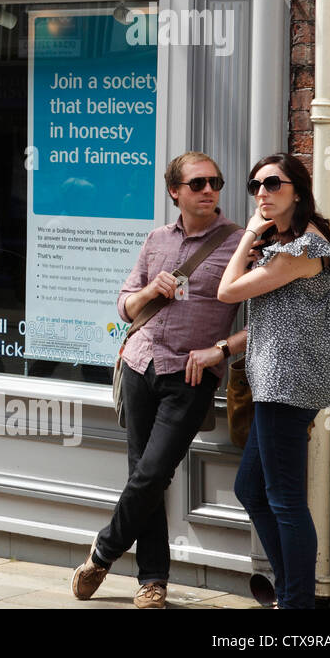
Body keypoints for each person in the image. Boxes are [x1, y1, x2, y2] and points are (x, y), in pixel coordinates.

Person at [71, 152, 245, 608]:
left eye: (215, 182)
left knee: (152, 474)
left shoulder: (239, 244)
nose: (209, 190)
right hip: (139, 364)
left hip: (189, 375)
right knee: (141, 476)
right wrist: (151, 290)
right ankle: (153, 581)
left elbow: (264, 322)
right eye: (197, 183)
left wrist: (220, 351)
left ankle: (103, 553)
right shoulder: (155, 240)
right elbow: (125, 305)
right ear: (175, 192)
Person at [217, 153, 330, 610]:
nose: (262, 194)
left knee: (285, 498)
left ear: (298, 189)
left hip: (289, 384)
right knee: (251, 488)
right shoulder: (289, 247)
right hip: (278, 382)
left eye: (273, 184)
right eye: (255, 186)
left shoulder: (305, 249)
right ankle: (292, 593)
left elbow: (226, 291)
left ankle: (296, 602)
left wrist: (250, 232)